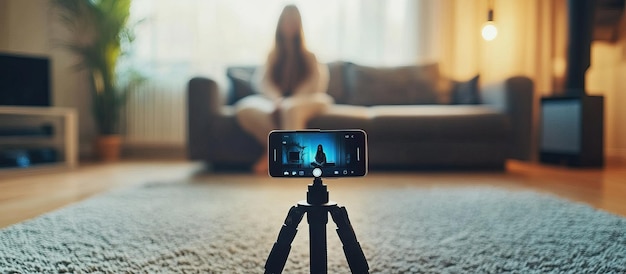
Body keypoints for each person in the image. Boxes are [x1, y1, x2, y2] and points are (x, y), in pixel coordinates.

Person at [236, 5, 332, 173]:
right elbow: (262, 82)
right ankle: (276, 151)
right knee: (245, 108)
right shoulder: (272, 56)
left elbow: (317, 84)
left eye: (293, 21)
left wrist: (292, 99)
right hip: (278, 101)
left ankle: (294, 164)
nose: (289, 25)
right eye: (286, 21)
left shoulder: (309, 56)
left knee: (290, 109)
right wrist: (277, 98)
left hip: (307, 100)